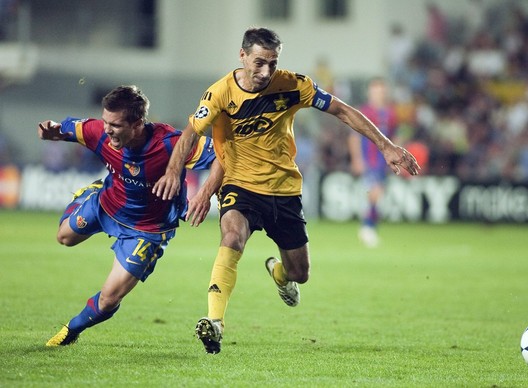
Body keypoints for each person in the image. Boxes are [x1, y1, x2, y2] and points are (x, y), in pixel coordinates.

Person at [152, 27, 420, 354]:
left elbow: (342, 110)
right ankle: (215, 321)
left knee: (300, 272)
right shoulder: (220, 93)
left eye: (273, 63)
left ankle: (280, 275)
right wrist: (175, 174)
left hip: (284, 190)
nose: (266, 71)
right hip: (240, 185)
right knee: (232, 237)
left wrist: (386, 146)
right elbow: (191, 133)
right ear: (242, 56)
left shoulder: (293, 85)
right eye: (259, 62)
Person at [39, 85, 223, 346]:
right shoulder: (99, 132)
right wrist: (51, 132)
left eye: (114, 125)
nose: (107, 129)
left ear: (137, 124)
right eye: (105, 122)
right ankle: (90, 193)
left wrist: (204, 194)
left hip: (146, 230)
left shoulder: (171, 143)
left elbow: (222, 156)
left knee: (110, 298)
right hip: (106, 205)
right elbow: (63, 128)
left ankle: (71, 330)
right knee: (64, 238)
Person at [348, 77, 397, 248]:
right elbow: (354, 137)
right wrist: (357, 159)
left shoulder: (390, 113)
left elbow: (394, 136)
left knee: (378, 193)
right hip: (369, 159)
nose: (378, 95)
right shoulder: (364, 112)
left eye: (381, 92)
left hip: (384, 161)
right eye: (375, 91)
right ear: (370, 93)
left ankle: (370, 227)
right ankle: (367, 227)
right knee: (375, 192)